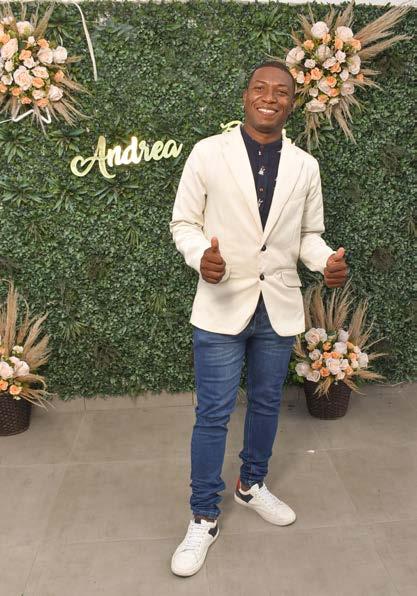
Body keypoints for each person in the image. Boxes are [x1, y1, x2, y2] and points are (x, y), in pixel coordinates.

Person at [169, 60, 348, 577]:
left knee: (267, 403)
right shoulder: (208, 152)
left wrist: (325, 262)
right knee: (213, 414)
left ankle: (251, 485)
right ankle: (203, 515)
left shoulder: (306, 166)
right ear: (246, 96)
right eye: (260, 88)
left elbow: (309, 235)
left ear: (292, 102)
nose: (270, 97)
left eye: (282, 91)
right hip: (222, 304)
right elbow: (184, 222)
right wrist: (200, 255)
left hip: (279, 306)